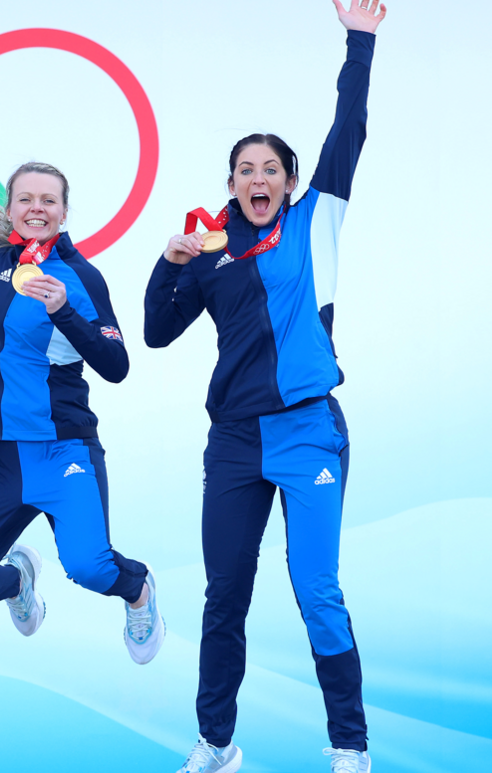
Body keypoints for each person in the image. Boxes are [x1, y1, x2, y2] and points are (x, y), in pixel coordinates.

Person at [143, 2, 386, 771]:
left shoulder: (318, 217)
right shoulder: (210, 248)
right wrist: (171, 261)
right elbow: (155, 329)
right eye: (244, 170)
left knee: (317, 589)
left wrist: (361, 43)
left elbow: (349, 128)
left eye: (270, 169)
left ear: (289, 180)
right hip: (236, 442)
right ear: (231, 183)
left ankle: (350, 744)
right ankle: (217, 742)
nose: (258, 178)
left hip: (310, 429)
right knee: (226, 597)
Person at [0, 85, 164, 661]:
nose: (36, 209)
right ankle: (18, 580)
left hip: (63, 450)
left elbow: (116, 366)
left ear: (65, 211)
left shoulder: (82, 277)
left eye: (48, 201)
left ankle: (140, 589)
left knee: (91, 569)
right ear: (13, 206)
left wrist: (64, 311)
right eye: (26, 200)